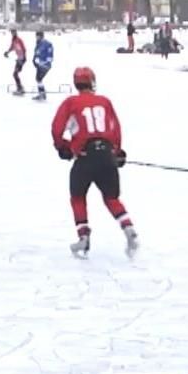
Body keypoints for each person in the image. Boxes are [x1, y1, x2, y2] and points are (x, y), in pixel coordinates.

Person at [51, 66, 139, 259]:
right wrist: (116, 151)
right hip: (106, 154)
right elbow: (115, 127)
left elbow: (57, 128)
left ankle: (83, 237)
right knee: (111, 198)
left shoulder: (71, 102)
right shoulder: (104, 102)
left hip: (84, 157)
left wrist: (63, 147)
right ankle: (128, 229)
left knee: (78, 197)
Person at [3, 28, 27, 95]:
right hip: (19, 59)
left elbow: (24, 49)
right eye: (12, 33)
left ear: (16, 33)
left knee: (15, 74)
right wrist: (7, 52)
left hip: (21, 59)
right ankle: (20, 87)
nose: (13, 34)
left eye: (14, 32)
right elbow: (12, 47)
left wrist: (23, 58)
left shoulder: (19, 40)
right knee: (15, 74)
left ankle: (20, 88)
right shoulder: (13, 40)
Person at [32, 30, 54, 100]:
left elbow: (50, 54)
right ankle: (41, 93)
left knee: (38, 78)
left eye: (38, 36)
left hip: (45, 64)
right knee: (38, 79)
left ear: (41, 36)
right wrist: (34, 60)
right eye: (36, 36)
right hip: (40, 64)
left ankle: (42, 94)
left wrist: (47, 62)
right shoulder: (38, 44)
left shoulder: (47, 44)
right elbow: (36, 53)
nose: (36, 37)